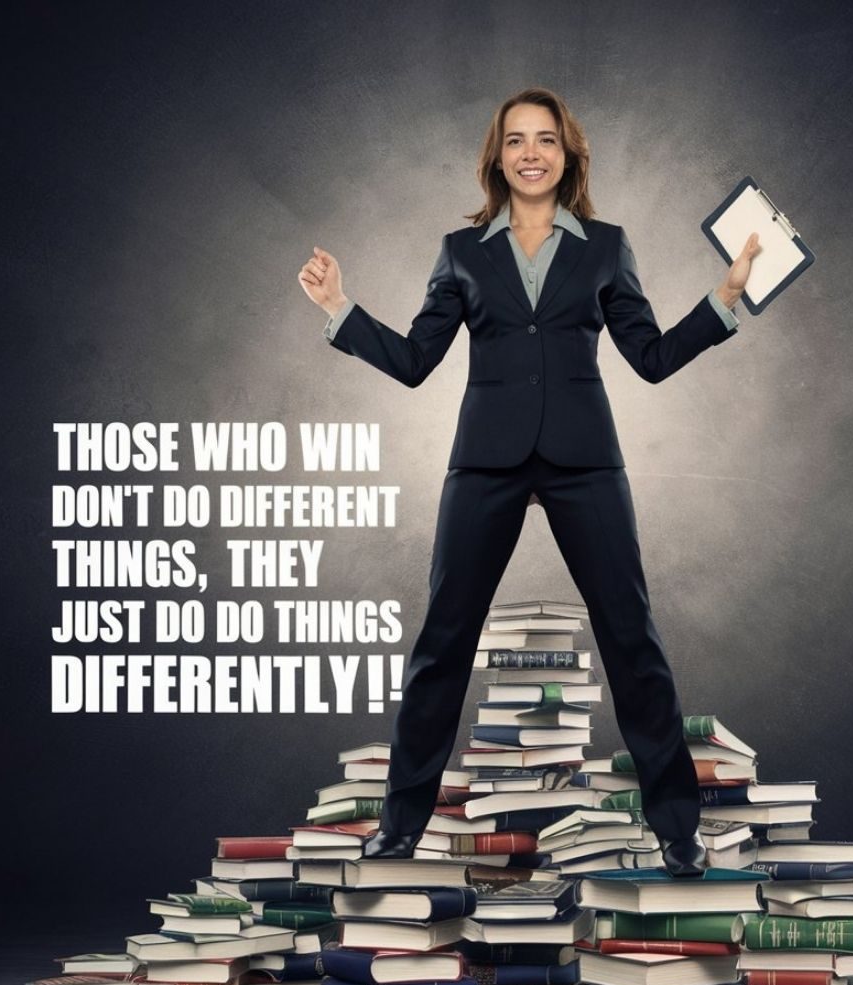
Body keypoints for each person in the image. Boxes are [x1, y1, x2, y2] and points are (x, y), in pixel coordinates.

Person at [298, 87, 760, 876]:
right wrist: (342, 310)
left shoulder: (607, 247)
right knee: (442, 641)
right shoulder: (462, 250)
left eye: (546, 139)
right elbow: (415, 362)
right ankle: (401, 824)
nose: (532, 152)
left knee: (632, 638)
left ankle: (677, 826)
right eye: (516, 140)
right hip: (486, 461)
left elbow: (649, 359)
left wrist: (725, 296)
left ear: (567, 155)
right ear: (498, 158)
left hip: (585, 461)